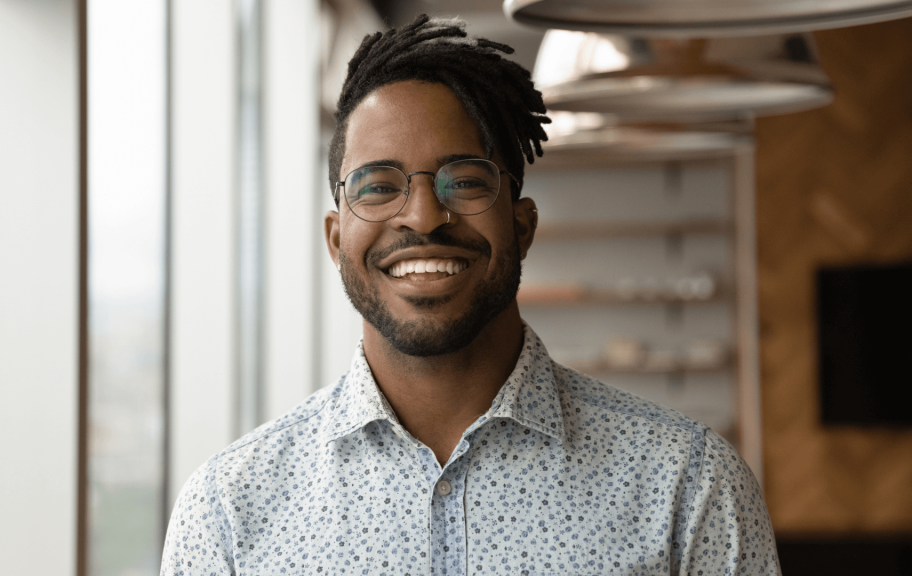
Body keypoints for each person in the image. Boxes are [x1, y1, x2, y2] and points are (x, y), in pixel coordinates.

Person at [161, 15, 780, 576]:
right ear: (335, 237)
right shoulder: (228, 510)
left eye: (465, 180)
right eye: (377, 186)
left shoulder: (689, 486)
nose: (425, 217)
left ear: (523, 226)